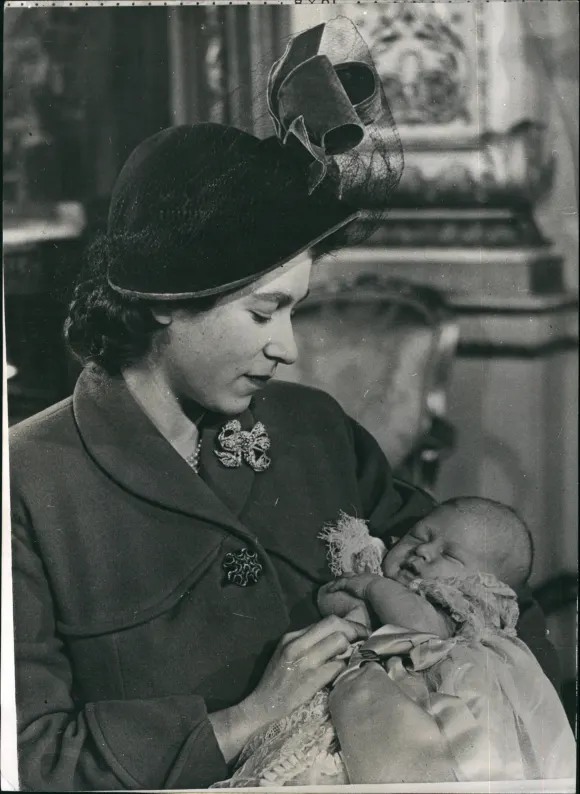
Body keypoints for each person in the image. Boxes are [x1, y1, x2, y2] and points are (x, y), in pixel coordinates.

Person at [9, 17, 559, 792]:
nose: (289, 348)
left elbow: (487, 592)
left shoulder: (312, 430)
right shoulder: (27, 485)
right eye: (264, 313)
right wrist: (239, 722)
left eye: (296, 310)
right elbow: (27, 758)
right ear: (168, 300)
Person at [220, 499, 575, 786]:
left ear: (484, 581)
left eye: (449, 556)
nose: (423, 553)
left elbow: (419, 627)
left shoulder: (457, 603)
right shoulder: (382, 575)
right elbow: (331, 602)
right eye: (418, 537)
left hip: (429, 709)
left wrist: (371, 588)